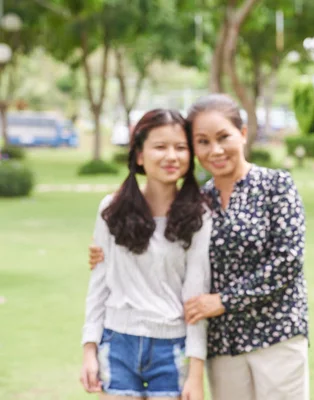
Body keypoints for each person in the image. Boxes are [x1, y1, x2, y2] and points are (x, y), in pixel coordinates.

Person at [89, 94, 310, 400]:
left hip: (275, 337)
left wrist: (224, 300)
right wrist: (106, 253)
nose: (215, 150)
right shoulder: (197, 203)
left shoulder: (276, 186)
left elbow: (287, 261)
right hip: (223, 344)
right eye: (203, 142)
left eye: (223, 137)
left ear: (242, 135)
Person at [80, 109, 211, 400]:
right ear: (139, 155)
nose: (171, 156)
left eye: (180, 148)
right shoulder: (110, 209)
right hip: (117, 344)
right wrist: (89, 349)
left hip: (172, 348)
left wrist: (196, 374)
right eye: (160, 147)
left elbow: (196, 297)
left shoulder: (199, 215)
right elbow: (99, 285)